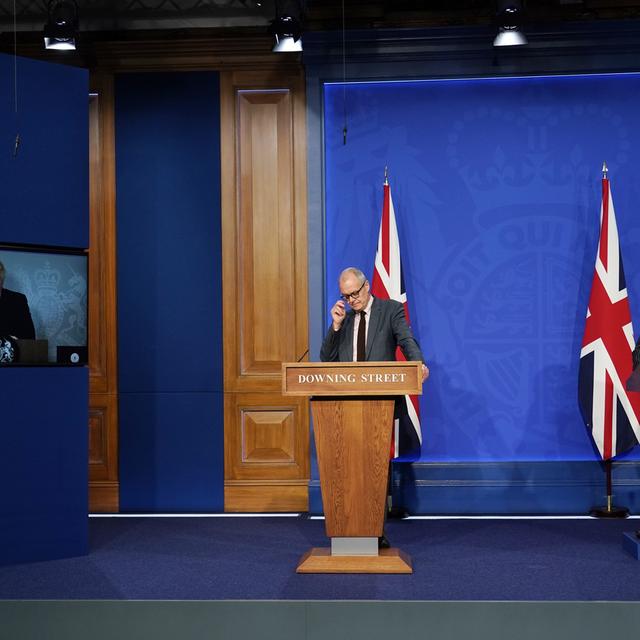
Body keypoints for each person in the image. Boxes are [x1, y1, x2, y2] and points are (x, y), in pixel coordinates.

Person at [320, 267, 429, 547]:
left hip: (379, 406)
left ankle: (374, 530)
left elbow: (405, 339)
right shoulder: (343, 318)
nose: (352, 299)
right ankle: (346, 529)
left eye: (355, 293)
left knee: (374, 469)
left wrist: (417, 364)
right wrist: (334, 326)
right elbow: (326, 360)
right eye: (346, 295)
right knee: (346, 467)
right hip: (343, 408)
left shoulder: (389, 310)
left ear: (367, 286)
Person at [0, 260, 36, 340]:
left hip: (13, 351)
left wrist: (9, 340)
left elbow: (30, 338)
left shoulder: (18, 300)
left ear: (1, 280)